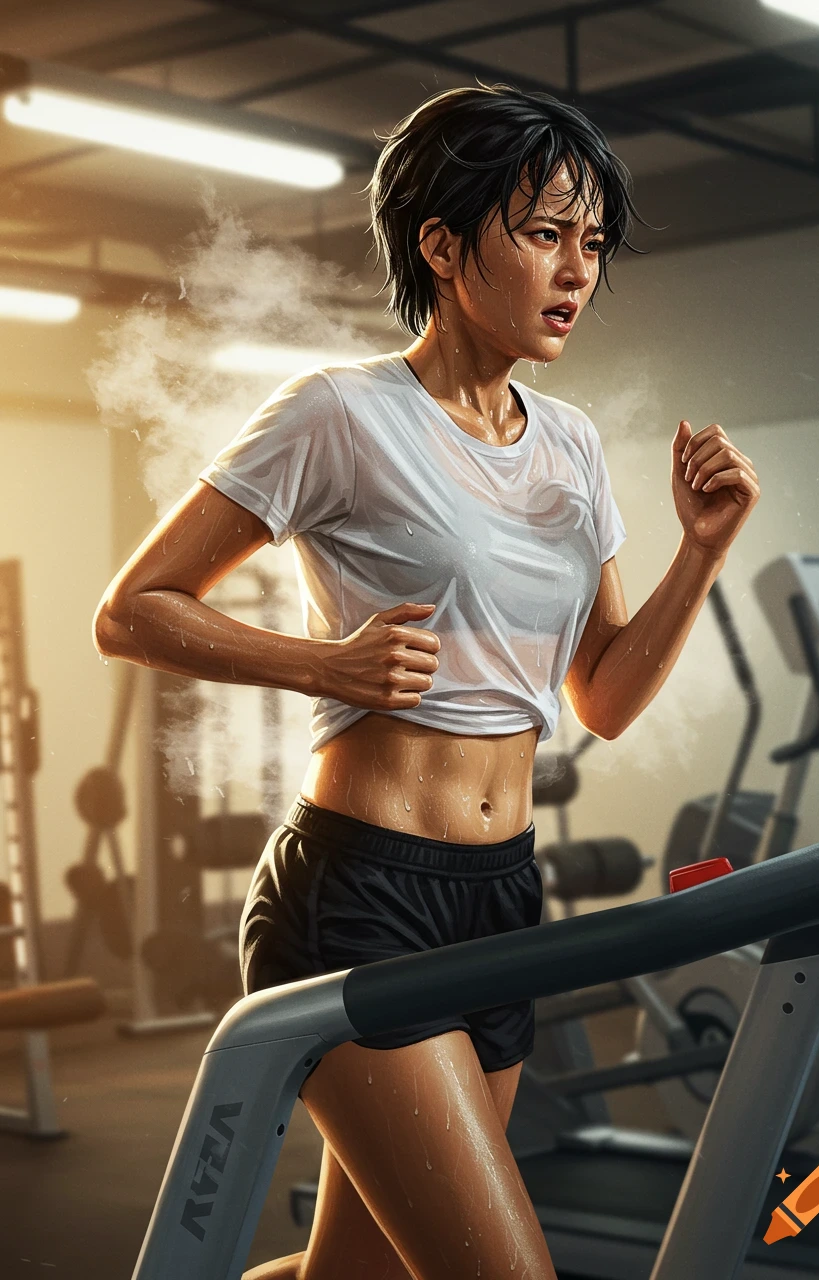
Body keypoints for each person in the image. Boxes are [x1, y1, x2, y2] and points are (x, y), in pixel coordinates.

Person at [93, 84, 760, 1280]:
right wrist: (324, 662)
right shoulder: (336, 414)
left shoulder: (567, 444)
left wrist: (700, 550)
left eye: (590, 243)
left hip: (498, 890)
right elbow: (132, 609)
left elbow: (600, 695)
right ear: (441, 245)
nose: (574, 271)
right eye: (543, 232)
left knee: (365, 1270)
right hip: (358, 896)